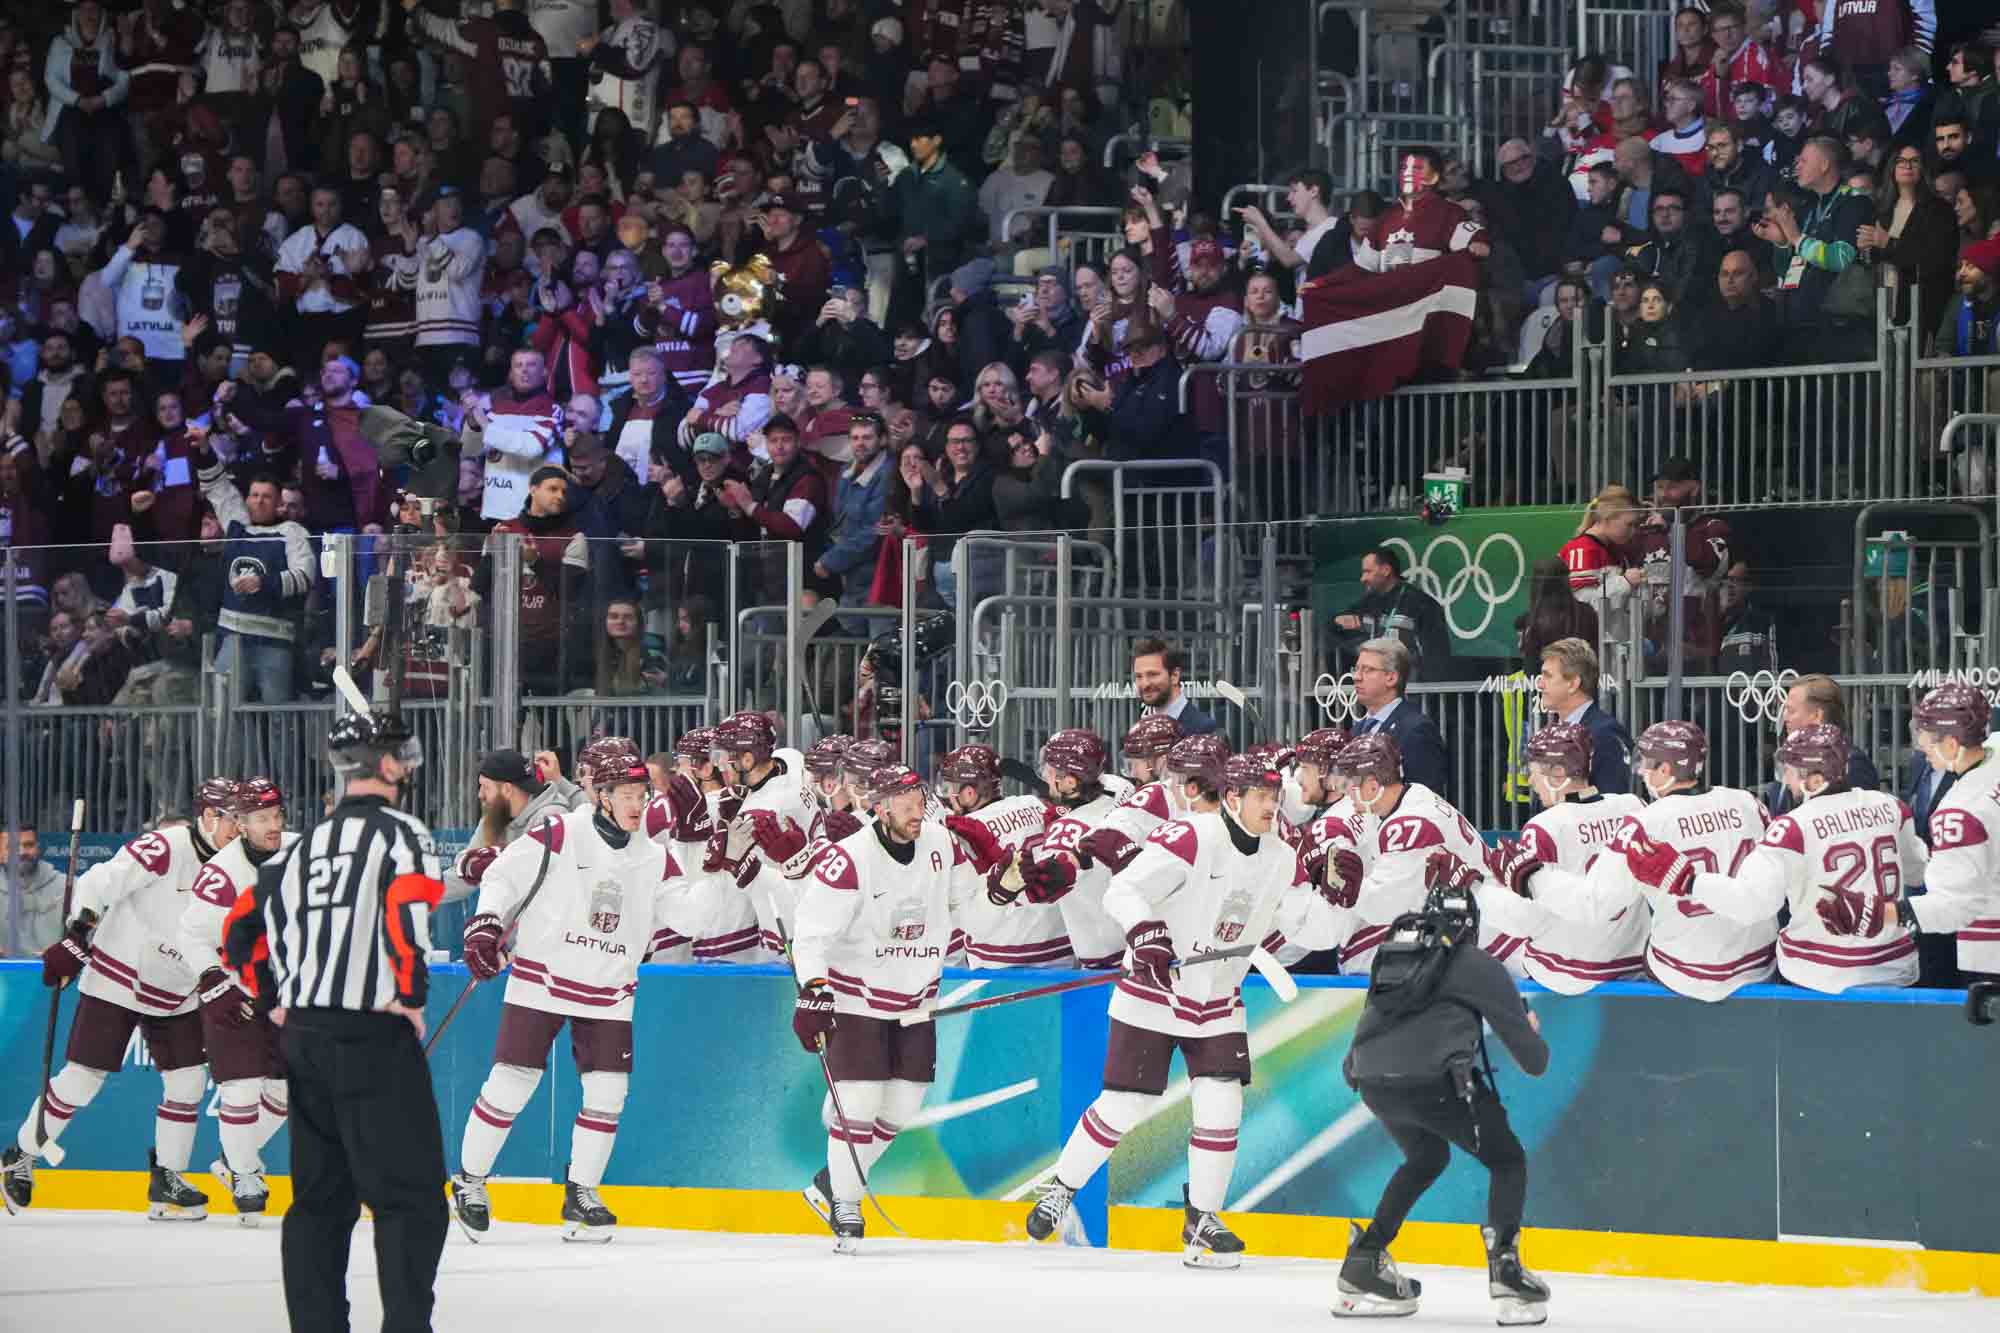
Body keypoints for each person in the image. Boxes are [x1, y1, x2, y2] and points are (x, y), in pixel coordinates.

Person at [223, 709, 446, 1333]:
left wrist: (275, 997)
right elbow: (405, 912)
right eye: (401, 753)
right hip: (372, 1032)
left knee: (320, 1202)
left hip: (305, 1037)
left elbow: (240, 930)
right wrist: (411, 995)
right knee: (411, 1199)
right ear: (387, 763)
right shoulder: (401, 834)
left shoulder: (300, 848)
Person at [1023, 754, 1293, 1268]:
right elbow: (1124, 890)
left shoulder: (1280, 857)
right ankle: (1062, 1187)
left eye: (1276, 797)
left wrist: (1334, 897)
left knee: (1222, 1104)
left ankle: (1202, 1220)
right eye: (1262, 796)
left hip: (1218, 998)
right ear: (1232, 799)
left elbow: (1306, 923)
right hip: (1155, 991)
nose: (1271, 806)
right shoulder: (1191, 836)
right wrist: (1145, 931)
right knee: (1123, 1104)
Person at [450, 740, 702, 1243]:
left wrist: (707, 858)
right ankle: (470, 1180)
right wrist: (484, 924)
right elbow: (502, 875)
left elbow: (695, 920)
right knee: (512, 1082)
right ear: (599, 794)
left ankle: (581, 1191)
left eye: (641, 793)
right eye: (626, 793)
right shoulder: (560, 832)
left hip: (609, 987)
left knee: (608, 1093)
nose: (637, 803)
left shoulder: (656, 857)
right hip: (542, 977)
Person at [2, 779, 241, 1218]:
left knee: (188, 1081)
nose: (239, 828)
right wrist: (78, 934)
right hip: (119, 975)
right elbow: (99, 882)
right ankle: (21, 1154)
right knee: (82, 1078)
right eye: (233, 818)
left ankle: (167, 1178)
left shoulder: (239, 863)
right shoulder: (167, 846)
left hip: (178, 987)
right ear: (208, 817)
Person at [1334, 857, 1550, 1323]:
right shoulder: (1478, 964)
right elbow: (1534, 1062)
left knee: (1427, 1157)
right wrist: (1529, 1028)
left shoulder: (1392, 953)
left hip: (1370, 1081)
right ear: (1473, 925)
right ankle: (1506, 1271)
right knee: (1507, 1160)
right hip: (1434, 1084)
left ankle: (1364, 1260)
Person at [790, 764, 966, 1252]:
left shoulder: (940, 843)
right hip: (857, 999)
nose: (917, 812)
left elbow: (964, 901)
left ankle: (830, 1184)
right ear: (880, 807)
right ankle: (847, 1203)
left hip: (918, 1000)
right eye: (905, 804)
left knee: (903, 1106)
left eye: (920, 802)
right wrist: (814, 987)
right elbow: (810, 934)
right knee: (861, 1104)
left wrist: (1005, 887)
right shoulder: (850, 859)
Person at [1674, 724, 1921, 992]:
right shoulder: (1892, 806)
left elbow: (1751, 904)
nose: (1786, 780)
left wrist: (1690, 881)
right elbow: (1917, 874)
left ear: (1815, 781)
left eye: (1790, 772)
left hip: (1819, 976)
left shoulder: (1793, 827)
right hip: (1896, 967)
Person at [1539, 720, 1774, 1000]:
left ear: (1666, 770)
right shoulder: (1748, 802)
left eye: (1648, 763)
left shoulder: (1646, 823)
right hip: (1758, 962)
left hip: (1686, 970)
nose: (1641, 771)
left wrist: (1535, 878)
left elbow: (1596, 904)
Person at [177, 777, 295, 1222]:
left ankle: (232, 1162)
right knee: (242, 1088)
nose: (273, 825)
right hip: (232, 987)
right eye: (261, 818)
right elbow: (191, 934)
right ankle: (246, 1173)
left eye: (276, 815)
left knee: (286, 1090)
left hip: (284, 990)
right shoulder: (222, 873)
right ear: (241, 824)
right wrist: (212, 981)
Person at [1331, 733, 1520, 977]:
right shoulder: (1413, 794)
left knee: (1354, 956)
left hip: (1493, 938)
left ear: (1372, 786)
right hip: (1484, 920)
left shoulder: (1409, 824)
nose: (1347, 793)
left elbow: (1384, 908)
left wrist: (1350, 887)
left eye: (1351, 784)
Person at [1483, 724, 1648, 994]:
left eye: (1534, 773)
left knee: (1485, 928)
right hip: (1631, 959)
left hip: (1571, 968)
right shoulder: (1633, 806)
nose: (1531, 782)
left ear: (1559, 774)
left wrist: (1480, 890)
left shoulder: (1545, 827)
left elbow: (1527, 919)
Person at [932, 743, 1066, 968]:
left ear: (969, 793)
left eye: (951, 787)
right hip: (1059, 946)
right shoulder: (1035, 803)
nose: (948, 795)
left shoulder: (965, 829)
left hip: (999, 955)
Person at [1901, 683, 2000, 983]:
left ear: (1952, 744)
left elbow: (1953, 907)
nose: (1922, 748)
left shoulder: (1957, 811)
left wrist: (1890, 913)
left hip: (1990, 953)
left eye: (1929, 742)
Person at [444, 749, 583, 902]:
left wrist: (493, 863)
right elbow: (464, 875)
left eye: (485, 787)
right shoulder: (495, 816)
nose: (480, 794)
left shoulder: (550, 817)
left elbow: (533, 882)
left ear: (507, 790)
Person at [1765, 674, 1882, 817]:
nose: (1785, 717)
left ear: (1817, 715)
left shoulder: (1852, 763)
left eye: (1791, 711)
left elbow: (1856, 822)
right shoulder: (1790, 760)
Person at [1349, 638, 1450, 800]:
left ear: (1391, 678)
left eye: (1368, 670)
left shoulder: (1416, 729)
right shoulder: (1357, 730)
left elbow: (1425, 798)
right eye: (1356, 669)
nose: (1357, 677)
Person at [1333, 547, 1451, 680]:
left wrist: (1422, 689)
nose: (1363, 578)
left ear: (1386, 570)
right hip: (1374, 686)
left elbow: (1437, 659)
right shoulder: (1367, 603)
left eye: (1368, 572)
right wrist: (1337, 622)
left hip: (1410, 688)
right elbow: (1332, 630)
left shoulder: (1422, 604)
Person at [1533, 638, 1632, 794]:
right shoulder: (1553, 732)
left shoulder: (1605, 734)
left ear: (1573, 684)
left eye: (1548, 676)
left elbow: (1611, 798)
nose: (1540, 684)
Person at [1132, 636, 1218, 735]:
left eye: (1152, 674)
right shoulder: (1140, 730)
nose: (1145, 684)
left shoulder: (1204, 729)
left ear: (1174, 676)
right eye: (1139, 676)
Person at [1, 826, 66, 955]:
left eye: (28, 845)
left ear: (38, 848)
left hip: (54, 967)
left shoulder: (68, 886)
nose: (21, 852)